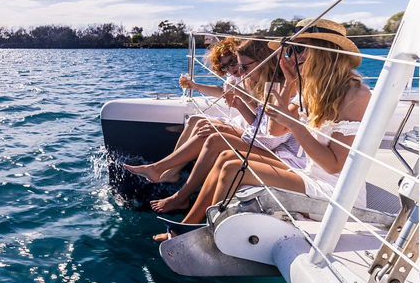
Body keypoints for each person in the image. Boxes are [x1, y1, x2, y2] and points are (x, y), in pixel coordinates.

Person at [153, 19, 370, 241]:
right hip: (309, 173)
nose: (293, 56)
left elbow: (332, 165)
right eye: (291, 50)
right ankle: (188, 226)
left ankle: (207, 235)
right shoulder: (311, 89)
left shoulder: (356, 94)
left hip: (335, 191)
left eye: (300, 48)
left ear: (327, 52)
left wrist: (295, 125)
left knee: (233, 168)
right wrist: (288, 82)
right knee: (228, 158)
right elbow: (275, 130)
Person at [126, 39, 303, 212]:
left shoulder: (273, 86)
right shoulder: (253, 79)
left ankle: (171, 181)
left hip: (267, 142)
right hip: (259, 133)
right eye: (227, 67)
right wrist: (234, 100)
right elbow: (260, 121)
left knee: (212, 135)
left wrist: (242, 102)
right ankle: (170, 170)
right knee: (199, 122)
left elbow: (267, 132)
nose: (236, 70)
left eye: (237, 63)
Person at [123, 37, 251, 184]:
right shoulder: (236, 77)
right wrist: (194, 86)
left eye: (232, 62)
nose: (230, 68)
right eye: (225, 67)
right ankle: (171, 172)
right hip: (240, 120)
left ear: (241, 57)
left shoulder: (251, 75)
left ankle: (161, 170)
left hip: (247, 124)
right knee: (194, 119)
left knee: (204, 130)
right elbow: (224, 91)